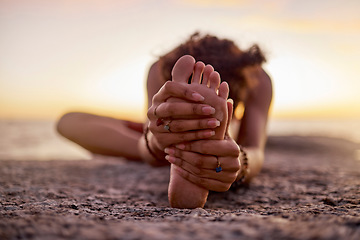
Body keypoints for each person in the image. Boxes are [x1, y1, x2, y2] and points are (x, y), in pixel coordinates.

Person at [56, 32, 272, 209]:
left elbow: (253, 149)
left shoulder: (255, 75)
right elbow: (256, 149)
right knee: (68, 122)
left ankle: (172, 148)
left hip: (214, 140)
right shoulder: (161, 68)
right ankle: (172, 143)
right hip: (161, 129)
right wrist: (158, 136)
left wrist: (237, 162)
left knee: (70, 123)